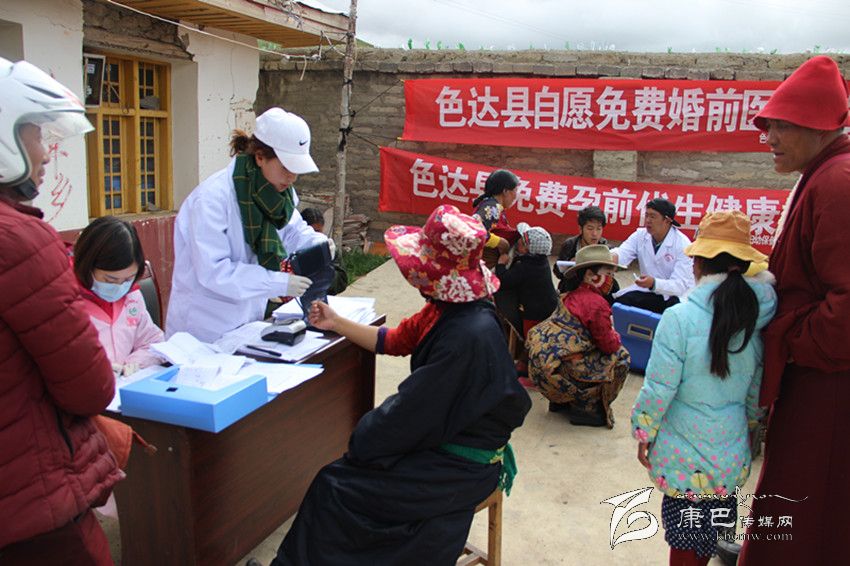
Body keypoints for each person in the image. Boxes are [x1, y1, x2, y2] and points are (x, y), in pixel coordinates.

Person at [269, 205, 532, 565]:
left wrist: (364, 439)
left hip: (463, 466)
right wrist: (336, 322)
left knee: (336, 484)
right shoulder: (449, 310)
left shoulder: (466, 336)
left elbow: (407, 416)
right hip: (450, 442)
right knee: (352, 473)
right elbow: (393, 340)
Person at [0, 57, 122, 564]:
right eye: (34, 133)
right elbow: (89, 387)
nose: (46, 151)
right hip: (27, 494)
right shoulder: (19, 241)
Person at [738, 56, 850, 566]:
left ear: (818, 126)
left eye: (782, 126)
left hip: (828, 383)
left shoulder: (838, 183)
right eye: (769, 126)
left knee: (809, 504)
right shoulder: (822, 173)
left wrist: (786, 334)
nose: (771, 138)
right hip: (814, 373)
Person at [631, 211, 777, 566]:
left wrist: (644, 432)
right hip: (729, 454)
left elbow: (659, 388)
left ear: (697, 264)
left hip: (684, 456)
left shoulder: (679, 319)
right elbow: (755, 396)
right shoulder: (754, 322)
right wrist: (749, 429)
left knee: (685, 544)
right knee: (709, 537)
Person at [167, 107, 333, 342]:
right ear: (260, 157)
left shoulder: (277, 196)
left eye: (297, 170)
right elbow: (215, 272)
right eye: (286, 167)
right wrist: (279, 283)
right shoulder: (212, 200)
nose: (292, 177)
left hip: (247, 321)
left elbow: (293, 231)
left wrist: (319, 244)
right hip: (204, 328)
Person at [526, 244, 630, 427]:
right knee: (621, 357)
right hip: (563, 369)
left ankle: (562, 402)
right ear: (591, 275)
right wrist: (615, 334)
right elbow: (609, 345)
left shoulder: (568, 296)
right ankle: (587, 406)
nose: (611, 280)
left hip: (544, 368)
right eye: (608, 274)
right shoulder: (596, 304)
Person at [74, 216, 164, 376]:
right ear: (87, 266)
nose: (119, 286)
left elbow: (152, 342)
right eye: (110, 280)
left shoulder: (132, 297)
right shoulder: (67, 304)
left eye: (128, 279)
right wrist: (98, 369)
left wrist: (133, 364)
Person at [611, 198, 694, 314]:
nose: (648, 221)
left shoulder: (683, 244)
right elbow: (622, 253)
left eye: (653, 217)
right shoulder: (640, 235)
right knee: (620, 304)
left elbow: (680, 285)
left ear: (667, 220)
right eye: (646, 215)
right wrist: (612, 257)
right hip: (649, 291)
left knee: (671, 311)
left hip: (674, 296)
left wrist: (654, 283)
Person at [495, 223, 558, 337]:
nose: (518, 240)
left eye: (522, 240)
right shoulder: (541, 261)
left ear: (526, 249)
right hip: (550, 308)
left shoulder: (525, 267)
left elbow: (504, 281)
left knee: (532, 337)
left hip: (534, 315)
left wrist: (501, 265)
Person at [553, 205, 618, 297]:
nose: (595, 234)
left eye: (599, 229)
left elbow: (610, 278)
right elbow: (558, 273)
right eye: (590, 228)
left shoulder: (607, 249)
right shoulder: (570, 245)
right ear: (580, 229)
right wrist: (570, 267)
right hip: (573, 289)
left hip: (597, 293)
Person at [300, 207, 348, 295]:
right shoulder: (291, 247)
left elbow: (342, 280)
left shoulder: (329, 249)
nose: (316, 236)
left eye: (319, 231)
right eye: (312, 232)